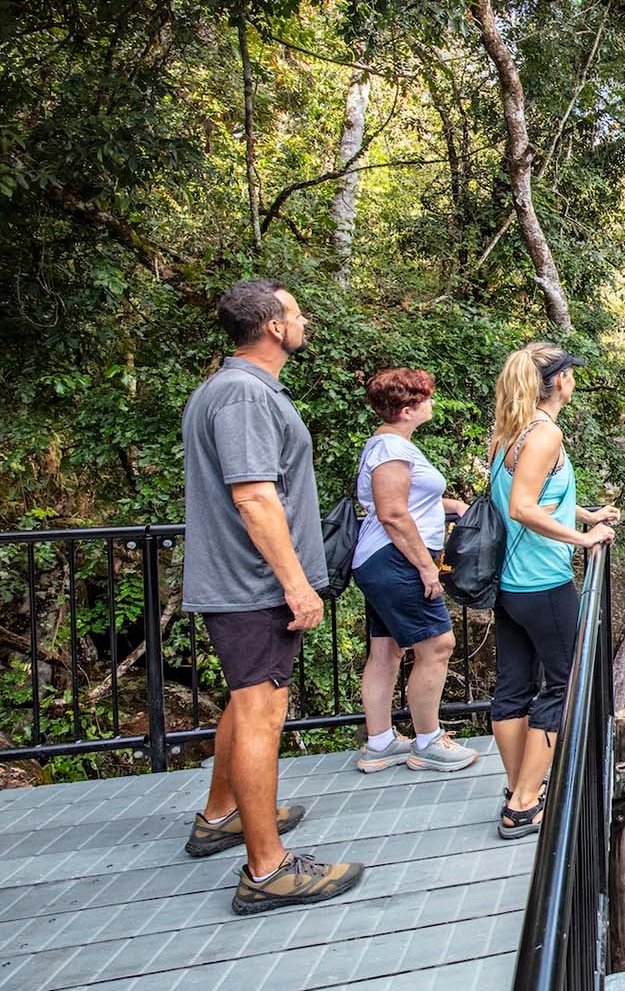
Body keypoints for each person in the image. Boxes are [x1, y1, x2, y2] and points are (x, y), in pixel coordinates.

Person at [180, 278, 364, 915]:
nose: (304, 319)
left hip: (242, 584)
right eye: (295, 312)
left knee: (245, 702)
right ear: (272, 328)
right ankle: (266, 870)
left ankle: (222, 813)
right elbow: (254, 495)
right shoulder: (242, 395)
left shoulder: (237, 389)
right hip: (252, 585)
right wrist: (295, 584)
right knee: (264, 714)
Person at [487, 342, 618, 839]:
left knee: (513, 687)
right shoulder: (545, 434)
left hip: (510, 584)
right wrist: (584, 539)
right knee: (564, 687)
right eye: (570, 374)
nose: (573, 381)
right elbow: (522, 506)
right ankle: (525, 802)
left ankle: (519, 788)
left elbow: (540, 495)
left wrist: (586, 514)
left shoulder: (508, 431)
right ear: (559, 381)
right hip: (542, 583)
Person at [350, 367, 479, 774]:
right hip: (396, 559)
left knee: (386, 650)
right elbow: (392, 513)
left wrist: (454, 507)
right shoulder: (391, 450)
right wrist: (426, 567)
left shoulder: (389, 445)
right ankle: (428, 741)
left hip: (381, 560)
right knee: (438, 646)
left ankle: (380, 743)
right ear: (407, 408)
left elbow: (409, 501)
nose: (432, 403)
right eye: (425, 398)